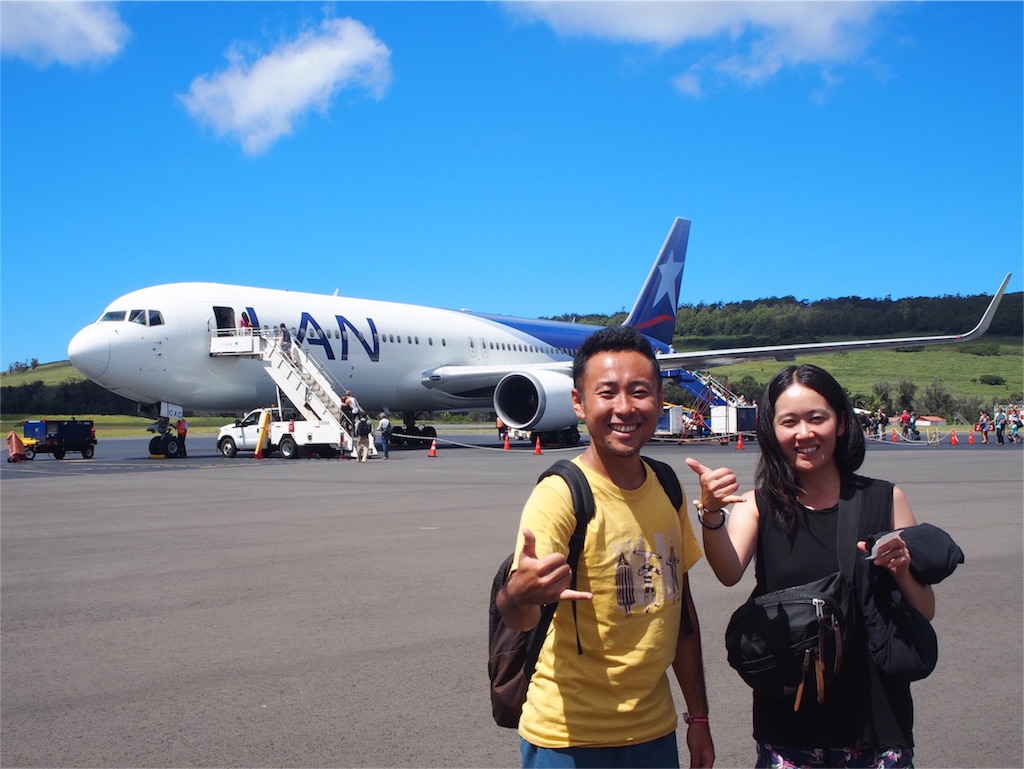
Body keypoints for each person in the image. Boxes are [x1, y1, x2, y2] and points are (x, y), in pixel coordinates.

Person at [685, 364, 935, 768]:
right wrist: (712, 514)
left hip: (875, 720)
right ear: (773, 431)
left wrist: (903, 568)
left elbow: (924, 611)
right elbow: (728, 570)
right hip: (789, 721)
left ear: (840, 423)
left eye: (817, 418)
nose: (804, 433)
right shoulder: (759, 504)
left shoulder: (886, 500)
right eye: (790, 422)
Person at [497, 326, 715, 769]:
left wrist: (699, 717)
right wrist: (520, 594)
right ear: (578, 403)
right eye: (607, 393)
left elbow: (682, 616)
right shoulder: (560, 494)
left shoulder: (668, 487)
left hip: (655, 734)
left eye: (640, 392)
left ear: (658, 397)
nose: (624, 409)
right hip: (567, 739)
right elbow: (519, 616)